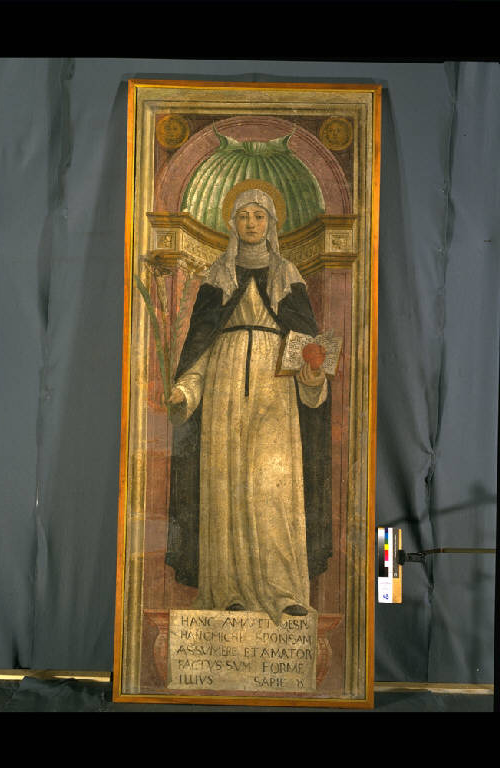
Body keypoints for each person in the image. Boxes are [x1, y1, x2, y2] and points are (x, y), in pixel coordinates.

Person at [165, 185, 332, 625]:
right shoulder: (217, 276)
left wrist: (313, 375)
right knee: (225, 487)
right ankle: (228, 591)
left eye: (259, 216)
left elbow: (306, 344)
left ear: (271, 224)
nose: (251, 223)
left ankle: (282, 590)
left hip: (275, 386)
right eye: (244, 216)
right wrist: (186, 390)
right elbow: (200, 346)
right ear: (232, 224)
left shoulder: (287, 273)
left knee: (272, 488)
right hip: (223, 383)